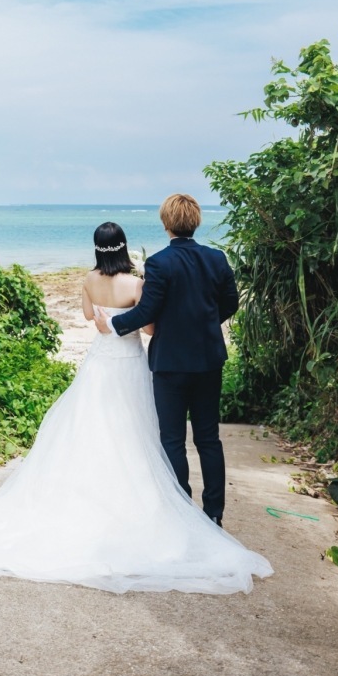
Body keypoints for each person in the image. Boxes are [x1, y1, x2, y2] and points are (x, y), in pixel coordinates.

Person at [0, 221, 272, 595]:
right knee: (169, 435)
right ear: (123, 248)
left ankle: (173, 502)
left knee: (101, 429)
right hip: (143, 362)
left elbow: (91, 317)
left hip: (100, 363)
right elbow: (152, 326)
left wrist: (111, 319)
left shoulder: (89, 280)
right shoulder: (142, 280)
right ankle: (205, 513)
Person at [94, 194, 236, 527]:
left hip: (170, 363)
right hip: (208, 360)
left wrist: (112, 325)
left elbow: (147, 312)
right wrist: (204, 323)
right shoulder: (216, 260)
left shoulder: (159, 264)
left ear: (165, 224)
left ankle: (182, 508)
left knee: (172, 439)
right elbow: (231, 301)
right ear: (196, 221)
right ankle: (214, 513)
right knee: (208, 438)